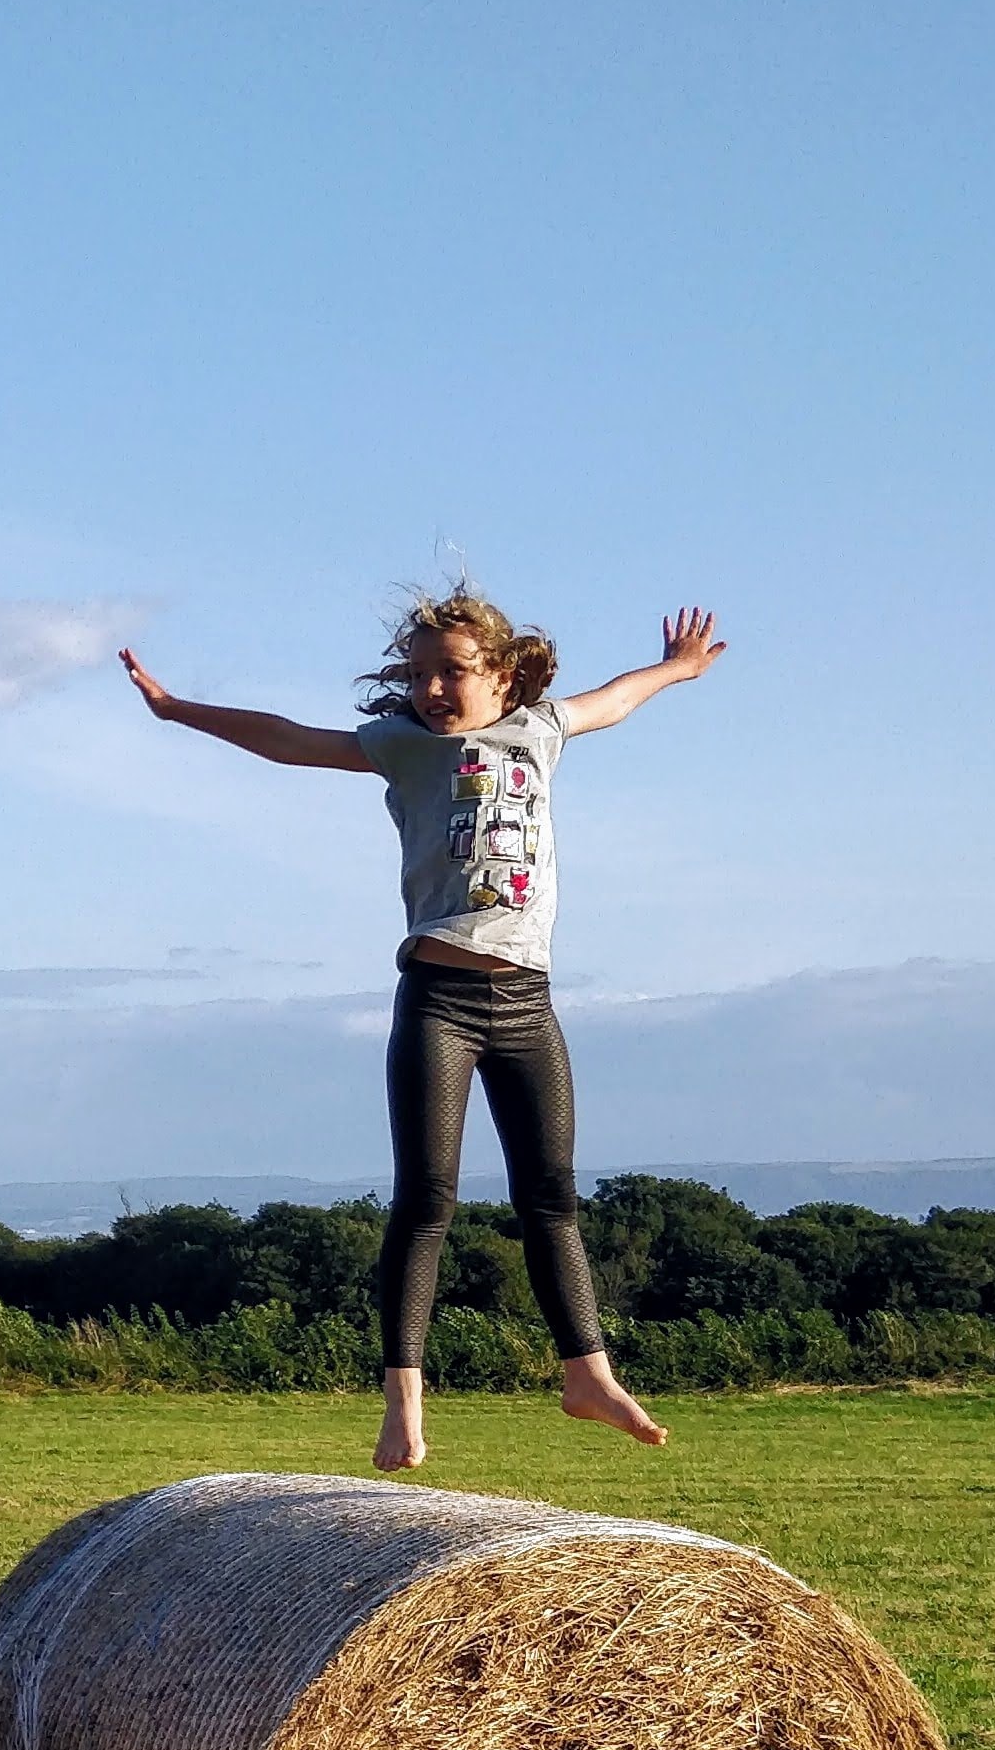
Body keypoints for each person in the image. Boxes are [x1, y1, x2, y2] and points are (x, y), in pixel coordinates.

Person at [120, 588, 725, 1470]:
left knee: (551, 1198)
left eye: (455, 671)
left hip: (527, 1004)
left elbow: (618, 698)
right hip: (439, 998)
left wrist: (675, 669)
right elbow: (288, 739)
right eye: (421, 673)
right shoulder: (400, 747)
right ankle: (404, 1404)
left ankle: (587, 1375)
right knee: (427, 1201)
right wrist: (176, 710)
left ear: (503, 675)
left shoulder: (542, 731)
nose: (435, 688)